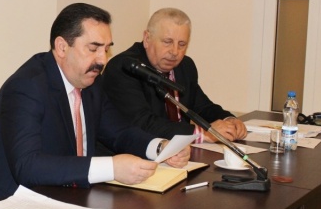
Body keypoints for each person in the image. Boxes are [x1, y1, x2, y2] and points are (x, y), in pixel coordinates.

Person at [0, 3, 190, 205]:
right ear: (62, 47)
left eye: (106, 49)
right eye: (93, 48)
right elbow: (27, 166)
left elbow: (120, 133)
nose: (102, 60)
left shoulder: (91, 83)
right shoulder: (26, 87)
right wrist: (112, 168)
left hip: (71, 200)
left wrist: (160, 147)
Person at [102, 7, 247, 143]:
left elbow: (202, 107)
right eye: (167, 42)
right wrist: (202, 133)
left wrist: (229, 120)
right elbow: (142, 123)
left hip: (182, 153)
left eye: (182, 44)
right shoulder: (125, 67)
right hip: (139, 152)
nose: (175, 52)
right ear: (147, 39)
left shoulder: (185, 66)